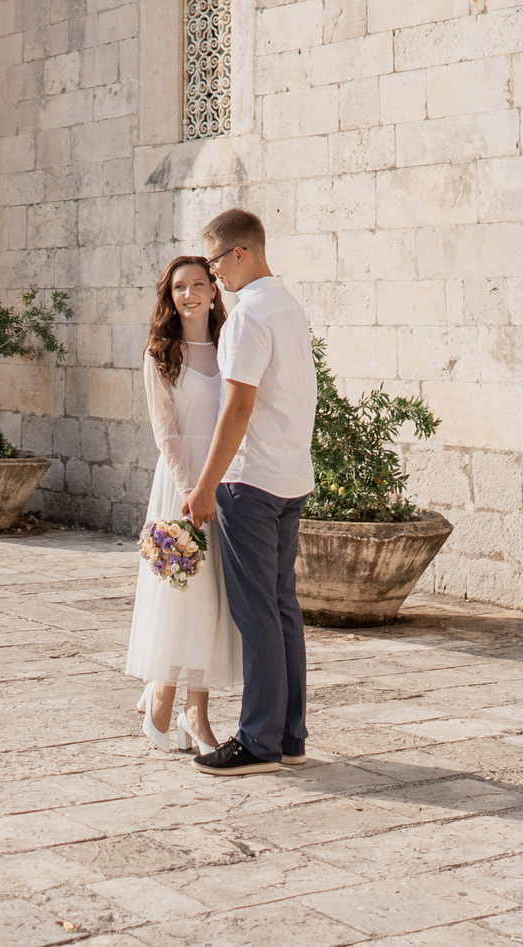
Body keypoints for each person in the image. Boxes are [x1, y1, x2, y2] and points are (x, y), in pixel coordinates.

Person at [182, 207, 316, 776]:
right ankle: (288, 736)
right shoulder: (290, 306)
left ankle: (259, 741)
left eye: (213, 263)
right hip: (290, 477)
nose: (212, 278)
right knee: (283, 607)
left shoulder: (246, 317)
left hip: (250, 480)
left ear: (240, 253)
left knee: (257, 611)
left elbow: (238, 408)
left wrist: (205, 487)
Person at [124, 254, 242, 754]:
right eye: (179, 288)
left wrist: (217, 484)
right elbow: (164, 430)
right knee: (180, 596)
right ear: (169, 297)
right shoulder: (160, 352)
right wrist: (191, 489)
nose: (190, 294)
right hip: (182, 487)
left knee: (212, 599)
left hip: (225, 481)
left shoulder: (232, 342)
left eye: (199, 284)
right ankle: (181, 708)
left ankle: (179, 705)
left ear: (214, 290)